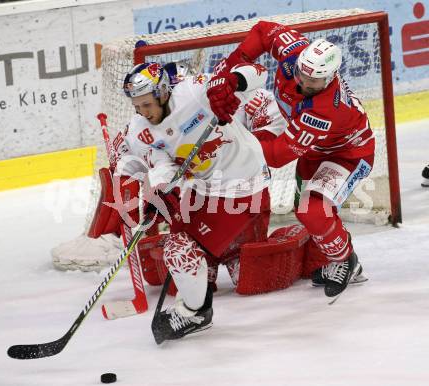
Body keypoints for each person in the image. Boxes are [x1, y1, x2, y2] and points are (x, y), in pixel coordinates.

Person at [88, 61, 286, 343]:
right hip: (205, 188)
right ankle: (199, 291)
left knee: (179, 250)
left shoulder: (195, 92)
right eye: (137, 106)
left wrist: (232, 85)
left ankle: (196, 312)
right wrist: (160, 190)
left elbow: (257, 72)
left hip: (243, 184)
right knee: (179, 240)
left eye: (147, 104)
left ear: (163, 92)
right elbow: (161, 163)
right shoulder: (140, 130)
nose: (143, 112)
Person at [206, 21, 374, 298]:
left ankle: (346, 261)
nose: (303, 83)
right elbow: (262, 31)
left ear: (331, 77)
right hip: (315, 152)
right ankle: (333, 248)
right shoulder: (295, 52)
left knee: (313, 210)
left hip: (348, 155)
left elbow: (277, 155)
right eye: (301, 75)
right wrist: (230, 70)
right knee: (306, 212)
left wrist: (234, 140)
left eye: (314, 81)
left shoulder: (324, 110)